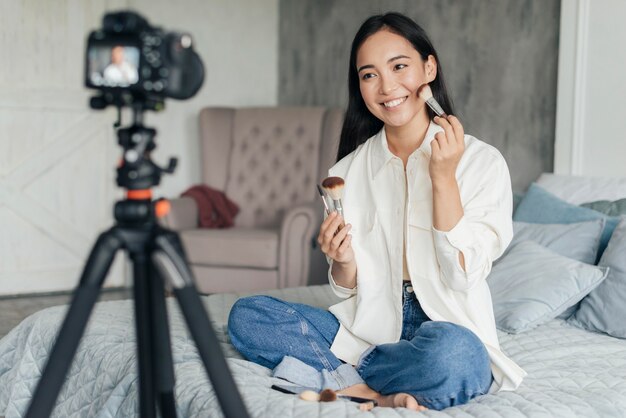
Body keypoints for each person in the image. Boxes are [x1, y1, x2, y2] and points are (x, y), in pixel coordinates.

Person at [228, 12, 526, 411]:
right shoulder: (344, 174)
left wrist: (443, 178)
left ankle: (345, 377)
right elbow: (346, 289)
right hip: (366, 328)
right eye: (369, 75)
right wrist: (342, 261)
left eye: (399, 66)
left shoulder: (481, 162)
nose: (386, 87)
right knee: (247, 316)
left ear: (429, 67)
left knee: (456, 358)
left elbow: (463, 273)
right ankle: (369, 385)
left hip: (446, 329)